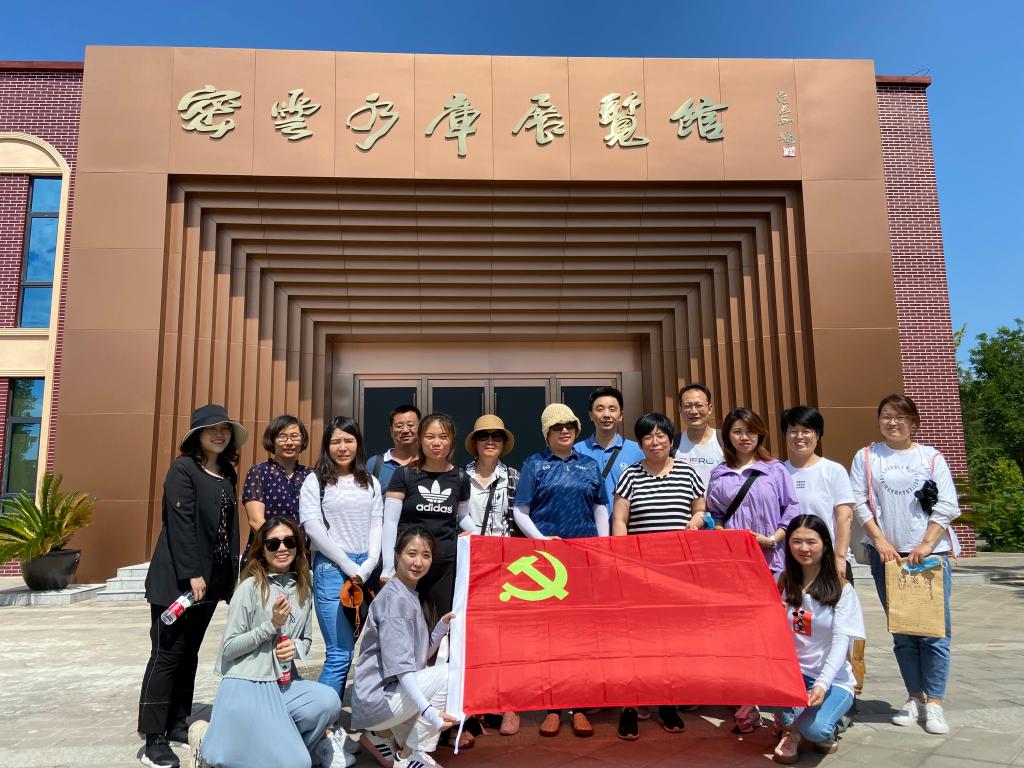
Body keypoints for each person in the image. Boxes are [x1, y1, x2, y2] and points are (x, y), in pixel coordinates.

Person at [139, 404, 248, 768]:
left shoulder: (227, 473)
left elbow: (228, 531)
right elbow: (180, 522)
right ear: (197, 435)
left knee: (190, 654)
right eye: (211, 429)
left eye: (225, 429)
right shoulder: (183, 469)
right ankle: (153, 739)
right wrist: (192, 573)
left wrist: (228, 579)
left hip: (211, 582)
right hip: (178, 581)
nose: (220, 434)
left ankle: (177, 722)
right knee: (166, 655)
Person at [196, 517, 346, 768]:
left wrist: (296, 648)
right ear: (262, 550)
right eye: (273, 544)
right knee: (298, 764)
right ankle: (208, 742)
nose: (282, 548)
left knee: (329, 702)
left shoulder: (303, 587)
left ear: (298, 546)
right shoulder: (249, 587)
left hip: (285, 683)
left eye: (289, 541)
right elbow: (229, 648)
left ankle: (279, 744)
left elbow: (306, 640)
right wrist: (271, 625)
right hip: (247, 682)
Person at [849, 394, 959, 735]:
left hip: (930, 556)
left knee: (934, 633)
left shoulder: (930, 457)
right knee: (903, 632)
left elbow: (947, 504)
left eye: (900, 416)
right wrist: (880, 541)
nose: (892, 422)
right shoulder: (868, 457)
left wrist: (926, 544)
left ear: (914, 422)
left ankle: (935, 702)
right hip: (889, 558)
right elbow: (858, 502)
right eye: (886, 415)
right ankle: (914, 697)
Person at [692, 407, 800, 734]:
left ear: (760, 433)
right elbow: (715, 513)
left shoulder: (775, 469)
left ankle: (781, 709)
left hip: (772, 562)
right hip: (735, 567)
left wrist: (773, 539)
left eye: (750, 431)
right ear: (728, 436)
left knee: (773, 634)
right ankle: (747, 702)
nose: (744, 437)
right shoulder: (720, 473)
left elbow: (791, 510)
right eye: (738, 431)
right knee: (741, 635)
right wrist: (721, 532)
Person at [513, 402, 609, 738]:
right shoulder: (534, 464)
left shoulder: (589, 464)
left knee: (582, 634)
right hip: (548, 564)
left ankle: (579, 705)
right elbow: (521, 510)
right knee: (550, 635)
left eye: (569, 425)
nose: (564, 430)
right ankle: (553, 706)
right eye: (557, 427)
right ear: (547, 433)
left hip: (584, 559)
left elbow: (600, 506)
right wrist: (542, 542)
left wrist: (603, 546)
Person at [611, 411, 705, 740]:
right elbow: (620, 520)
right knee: (634, 640)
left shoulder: (687, 472)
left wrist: (695, 522)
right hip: (639, 574)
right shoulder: (630, 475)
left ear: (669, 439)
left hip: (676, 576)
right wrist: (622, 561)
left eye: (660, 435)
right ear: (640, 443)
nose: (655, 441)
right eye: (648, 437)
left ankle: (667, 701)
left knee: (671, 641)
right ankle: (630, 705)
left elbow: (700, 509)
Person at [351, 528, 458, 768]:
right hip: (379, 699)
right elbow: (402, 669)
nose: (418, 562)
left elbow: (418, 656)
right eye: (412, 553)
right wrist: (428, 711)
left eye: (426, 555)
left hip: (380, 699)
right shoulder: (396, 599)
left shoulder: (406, 593)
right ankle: (408, 756)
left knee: (441, 677)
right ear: (397, 555)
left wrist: (439, 629)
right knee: (452, 674)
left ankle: (380, 736)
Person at [781, 406, 865, 700]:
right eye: (793, 431)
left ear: (818, 435)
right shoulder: (778, 471)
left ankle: (846, 692)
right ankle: (803, 687)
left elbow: (844, 516)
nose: (799, 437)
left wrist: (840, 557)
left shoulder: (832, 470)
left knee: (841, 632)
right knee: (802, 628)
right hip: (793, 563)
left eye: (806, 431)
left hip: (829, 564)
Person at [298, 416, 383, 698]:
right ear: (327, 446)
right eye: (336, 441)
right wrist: (348, 565)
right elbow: (313, 527)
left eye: (348, 440)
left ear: (358, 444)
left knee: (365, 651)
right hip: (333, 569)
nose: (342, 447)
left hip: (366, 569)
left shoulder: (371, 482)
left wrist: (369, 563)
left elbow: (377, 523)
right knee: (339, 653)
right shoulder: (315, 481)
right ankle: (322, 719)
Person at [770, 515, 865, 764]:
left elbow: (841, 643)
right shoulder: (780, 582)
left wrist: (822, 684)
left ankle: (828, 723)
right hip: (792, 675)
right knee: (768, 688)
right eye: (796, 541)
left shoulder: (842, 590)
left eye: (811, 542)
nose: (803, 548)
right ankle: (792, 731)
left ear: (825, 544)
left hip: (832, 679)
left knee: (816, 730)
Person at [381, 413, 471, 624]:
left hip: (445, 566)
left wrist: (477, 534)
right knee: (403, 624)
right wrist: (388, 567)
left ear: (452, 441)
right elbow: (390, 522)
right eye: (430, 437)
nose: (436, 443)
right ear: (420, 439)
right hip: (409, 565)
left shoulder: (461, 478)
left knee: (441, 625)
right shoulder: (404, 474)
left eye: (443, 437)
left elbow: (462, 516)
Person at [463, 414, 521, 736]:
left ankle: (508, 703)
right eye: (483, 436)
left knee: (506, 636)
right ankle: (477, 702)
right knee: (473, 635)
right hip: (470, 565)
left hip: (505, 566)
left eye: (496, 436)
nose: (490, 441)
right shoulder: (460, 477)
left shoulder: (513, 476)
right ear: (475, 442)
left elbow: (521, 518)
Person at [241, 415, 312, 566]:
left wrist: (298, 551)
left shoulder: (311, 475)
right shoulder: (259, 472)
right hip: (266, 554)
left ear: (302, 440)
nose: (289, 442)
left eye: (295, 436)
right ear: (272, 440)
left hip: (302, 558)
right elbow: (255, 521)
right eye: (282, 436)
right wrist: (283, 547)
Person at [575, 386, 644, 516]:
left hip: (626, 525)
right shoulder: (577, 451)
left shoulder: (638, 451)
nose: (606, 415)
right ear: (590, 415)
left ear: (621, 415)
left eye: (612, 409)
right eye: (600, 409)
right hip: (588, 525)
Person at [674, 383, 725, 491]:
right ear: (680, 409)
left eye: (699, 405)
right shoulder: (673, 444)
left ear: (710, 408)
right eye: (688, 406)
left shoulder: (725, 440)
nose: (693, 411)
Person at [367, 405, 421, 493]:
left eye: (411, 425)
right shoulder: (374, 464)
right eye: (399, 426)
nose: (405, 430)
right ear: (391, 431)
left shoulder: (429, 462)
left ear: (420, 429)